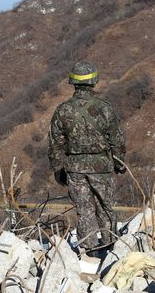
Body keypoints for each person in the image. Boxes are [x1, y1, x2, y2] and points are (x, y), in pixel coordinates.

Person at [48, 61, 126, 256]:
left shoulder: (63, 110)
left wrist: (58, 170)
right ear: (94, 81)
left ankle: (89, 251)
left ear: (73, 82)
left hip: (75, 168)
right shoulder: (104, 109)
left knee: (84, 210)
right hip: (101, 166)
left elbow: (55, 144)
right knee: (105, 207)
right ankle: (110, 248)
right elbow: (117, 140)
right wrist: (119, 163)